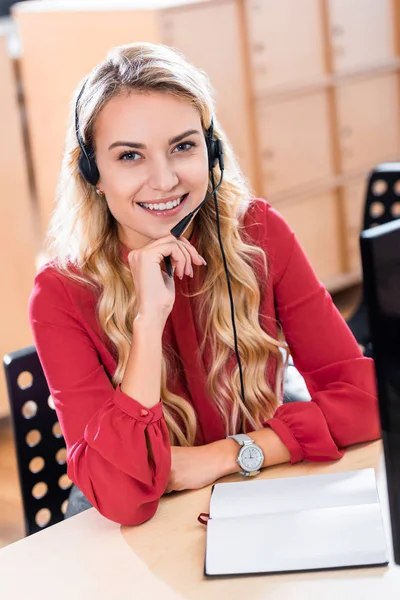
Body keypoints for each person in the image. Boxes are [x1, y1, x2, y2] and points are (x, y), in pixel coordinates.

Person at [28, 42, 380, 526]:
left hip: (253, 489)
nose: (165, 179)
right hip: (134, 522)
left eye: (183, 146)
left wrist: (228, 455)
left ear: (210, 151)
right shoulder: (60, 292)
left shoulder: (256, 234)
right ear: (93, 174)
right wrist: (147, 322)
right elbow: (124, 497)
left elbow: (366, 400)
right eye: (130, 155)